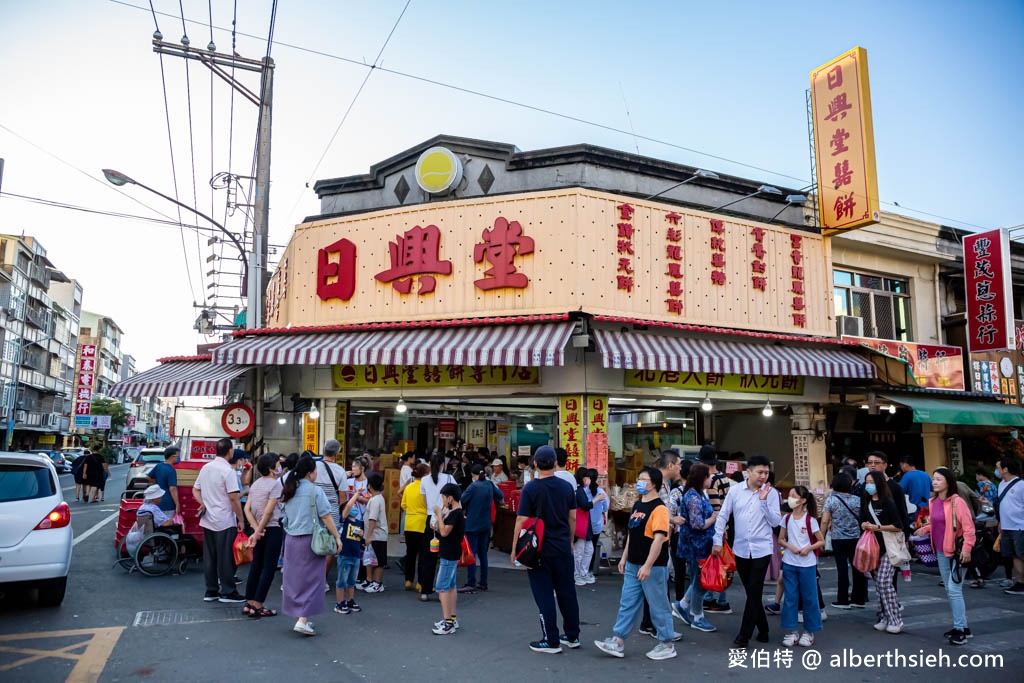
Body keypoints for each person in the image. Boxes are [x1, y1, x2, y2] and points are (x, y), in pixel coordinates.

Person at [594, 467, 677, 660]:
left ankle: (667, 643)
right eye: (638, 478)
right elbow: (632, 534)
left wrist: (647, 565)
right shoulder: (637, 506)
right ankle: (618, 640)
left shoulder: (660, 509)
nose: (639, 483)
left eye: (643, 479)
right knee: (627, 603)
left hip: (653, 567)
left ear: (654, 483)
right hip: (633, 564)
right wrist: (624, 558)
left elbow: (659, 540)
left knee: (659, 605)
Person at [512, 445, 580, 654]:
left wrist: (514, 549)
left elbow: (522, 519)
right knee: (567, 592)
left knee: (544, 595)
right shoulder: (566, 487)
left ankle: (550, 640)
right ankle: (572, 635)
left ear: (535, 464)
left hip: (539, 549)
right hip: (562, 548)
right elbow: (573, 517)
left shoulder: (531, 488)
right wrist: (569, 540)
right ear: (556, 463)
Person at [712, 454, 781, 647]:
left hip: (762, 548)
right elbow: (722, 516)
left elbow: (776, 522)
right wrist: (717, 540)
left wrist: (764, 501)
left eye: (766, 472)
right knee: (752, 592)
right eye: (759, 472)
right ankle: (764, 628)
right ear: (748, 472)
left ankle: (744, 635)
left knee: (754, 589)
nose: (763, 476)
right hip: (741, 548)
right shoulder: (735, 492)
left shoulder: (772, 493)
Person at [280, 454, 341, 636]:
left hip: (291, 540)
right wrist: (337, 537)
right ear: (310, 473)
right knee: (313, 580)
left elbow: (283, 515)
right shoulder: (315, 491)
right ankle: (303, 619)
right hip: (311, 540)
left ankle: (299, 615)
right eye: (315, 471)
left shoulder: (289, 488)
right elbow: (326, 516)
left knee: (294, 580)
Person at [914, 468, 975, 645]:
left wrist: (967, 549)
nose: (935, 482)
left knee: (954, 590)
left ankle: (959, 629)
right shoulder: (933, 502)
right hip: (940, 550)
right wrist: (925, 529)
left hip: (956, 552)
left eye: (939, 479)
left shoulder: (957, 502)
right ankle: (963, 627)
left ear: (948, 482)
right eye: (934, 479)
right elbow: (937, 524)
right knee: (950, 590)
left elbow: (969, 528)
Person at [193, 438, 246, 604]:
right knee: (226, 557)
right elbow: (233, 498)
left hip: (208, 519)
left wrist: (202, 503)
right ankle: (228, 591)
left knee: (210, 557)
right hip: (224, 519)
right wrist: (241, 519)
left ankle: (211, 590)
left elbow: (195, 489)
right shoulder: (228, 471)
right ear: (230, 451)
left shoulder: (206, 468)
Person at [671, 462, 718, 633]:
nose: (711, 479)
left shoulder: (699, 494)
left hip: (701, 544)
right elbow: (698, 524)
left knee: (698, 579)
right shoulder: (693, 497)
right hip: (696, 545)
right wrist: (713, 518)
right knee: (700, 581)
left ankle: (683, 605)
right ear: (702, 478)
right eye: (708, 476)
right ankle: (697, 616)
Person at [779, 486, 824, 647]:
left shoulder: (810, 520)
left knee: (809, 598)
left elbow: (821, 540)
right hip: (790, 563)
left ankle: (809, 631)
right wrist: (790, 547)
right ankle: (792, 632)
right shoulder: (786, 518)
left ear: (803, 500)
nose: (789, 499)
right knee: (790, 598)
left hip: (807, 564)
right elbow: (781, 539)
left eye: (793, 496)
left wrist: (808, 549)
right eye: (789, 495)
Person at [860, 470, 905, 633]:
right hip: (873, 548)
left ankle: (895, 619)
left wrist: (878, 527)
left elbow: (898, 525)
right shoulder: (866, 502)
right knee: (879, 584)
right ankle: (884, 617)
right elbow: (862, 522)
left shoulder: (888, 502)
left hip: (889, 548)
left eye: (872, 482)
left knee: (884, 582)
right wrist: (865, 525)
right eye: (867, 482)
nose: (869, 485)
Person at [243, 453, 284, 619]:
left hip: (258, 530)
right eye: (277, 463)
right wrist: (260, 529)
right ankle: (258, 605)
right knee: (269, 568)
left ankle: (249, 602)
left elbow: (247, 509)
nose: (279, 466)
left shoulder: (255, 485)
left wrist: (256, 530)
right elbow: (269, 511)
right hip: (272, 528)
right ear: (271, 467)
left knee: (256, 565)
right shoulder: (275, 485)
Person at [821, 472, 866, 609]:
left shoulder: (831, 500)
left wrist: (821, 537)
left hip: (838, 538)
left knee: (842, 569)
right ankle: (859, 599)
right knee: (857, 568)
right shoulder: (857, 499)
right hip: (856, 538)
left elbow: (824, 520)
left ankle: (843, 600)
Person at [460, 464, 503, 592]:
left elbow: (462, 500)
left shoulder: (473, 486)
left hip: (472, 524)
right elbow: (500, 495)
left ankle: (471, 582)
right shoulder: (489, 484)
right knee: (483, 554)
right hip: (486, 524)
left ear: (474, 475)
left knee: (471, 554)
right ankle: (483, 582)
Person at [419, 452, 456, 602]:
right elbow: (455, 498)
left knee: (428, 556)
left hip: (430, 520)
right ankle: (444, 590)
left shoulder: (424, 480)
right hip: (446, 518)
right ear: (443, 465)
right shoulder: (449, 478)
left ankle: (425, 590)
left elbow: (424, 501)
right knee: (446, 556)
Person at [699, 445, 732, 615]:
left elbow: (715, 507)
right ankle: (718, 598)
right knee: (720, 563)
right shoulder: (724, 478)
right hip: (724, 524)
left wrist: (717, 527)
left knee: (713, 563)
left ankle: (716, 599)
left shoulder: (710, 480)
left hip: (714, 525)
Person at [431, 483, 466, 635]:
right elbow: (444, 531)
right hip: (452, 552)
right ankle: (452, 619)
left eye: (444, 498)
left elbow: (445, 532)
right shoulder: (457, 513)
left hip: (449, 553)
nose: (443, 501)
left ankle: (447, 623)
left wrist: (439, 514)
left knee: (442, 588)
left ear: (450, 498)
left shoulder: (455, 514)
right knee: (451, 586)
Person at [316, 440, 349, 592]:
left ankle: (310, 578)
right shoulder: (340, 471)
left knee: (312, 541)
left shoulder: (313, 467)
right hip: (332, 512)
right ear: (337, 453)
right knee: (330, 545)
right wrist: (343, 514)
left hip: (314, 510)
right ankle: (322, 580)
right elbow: (343, 496)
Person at [995, 458, 1024, 595]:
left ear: (1005, 469)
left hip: (1020, 526)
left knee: (1021, 554)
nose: (997, 470)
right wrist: (1000, 522)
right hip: (1006, 526)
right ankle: (1019, 582)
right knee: (1013, 555)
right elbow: (1003, 505)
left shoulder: (1021, 485)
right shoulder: (1001, 484)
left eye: (998, 468)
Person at [334, 494, 364, 614]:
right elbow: (348, 507)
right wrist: (356, 495)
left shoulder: (358, 522)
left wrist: (361, 534)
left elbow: (359, 537)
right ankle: (340, 603)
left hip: (356, 555)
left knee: (352, 581)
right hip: (345, 554)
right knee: (342, 580)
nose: (354, 506)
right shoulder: (344, 520)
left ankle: (350, 600)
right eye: (352, 505)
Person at [402, 463, 430, 591]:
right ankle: (420, 582)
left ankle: (408, 580)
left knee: (410, 553)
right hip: (422, 523)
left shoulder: (408, 488)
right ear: (425, 474)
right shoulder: (427, 488)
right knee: (423, 554)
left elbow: (403, 505)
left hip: (409, 523)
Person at [363, 473, 388, 593]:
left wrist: (368, 537)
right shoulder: (377, 498)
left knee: (378, 560)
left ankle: (378, 583)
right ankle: (372, 581)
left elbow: (372, 519)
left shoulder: (375, 500)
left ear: (370, 486)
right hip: (375, 535)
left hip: (377, 535)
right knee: (371, 559)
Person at [572, 468, 597, 586]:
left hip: (584, 526)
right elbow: (585, 506)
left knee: (588, 550)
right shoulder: (579, 491)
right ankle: (577, 574)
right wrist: (597, 500)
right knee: (580, 552)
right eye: (587, 478)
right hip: (581, 526)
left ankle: (583, 572)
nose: (589, 480)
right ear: (583, 478)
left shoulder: (581, 491)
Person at [146, 446, 182, 519]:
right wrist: (177, 504)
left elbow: (148, 477)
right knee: (167, 524)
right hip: (168, 503)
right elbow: (172, 488)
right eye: (177, 456)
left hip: (157, 500)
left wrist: (157, 483)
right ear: (172, 457)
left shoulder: (159, 466)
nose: (178, 458)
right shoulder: (171, 470)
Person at [587, 468, 609, 581]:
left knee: (581, 549)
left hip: (584, 525)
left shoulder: (583, 491)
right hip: (596, 524)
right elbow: (605, 508)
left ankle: (580, 571)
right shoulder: (601, 492)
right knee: (592, 548)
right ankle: (590, 571)